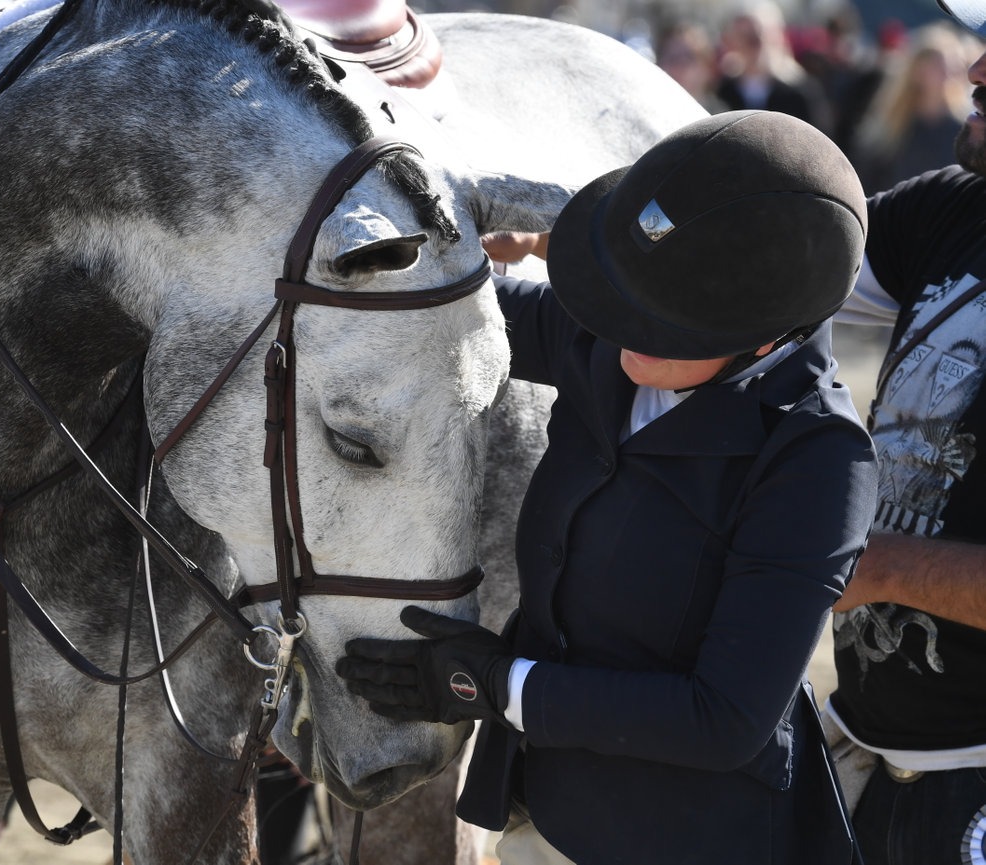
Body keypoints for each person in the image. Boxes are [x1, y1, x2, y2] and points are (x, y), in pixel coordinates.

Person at [336, 110, 878, 864]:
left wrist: (503, 686)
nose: (616, 325)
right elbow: (455, 306)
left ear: (766, 337)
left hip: (690, 840)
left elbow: (724, 716)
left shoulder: (816, 461)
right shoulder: (612, 338)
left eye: (654, 320)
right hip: (547, 810)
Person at [820, 2, 986, 862]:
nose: (977, 72)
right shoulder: (958, 205)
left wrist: (874, 563)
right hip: (866, 758)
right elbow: (767, 266)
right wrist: (568, 243)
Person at [852, 22, 978, 194]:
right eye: (938, 65)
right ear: (917, 70)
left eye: (952, 65)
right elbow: (868, 182)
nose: (947, 72)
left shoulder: (965, 130)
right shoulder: (893, 126)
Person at [715, 2, 832, 135]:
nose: (756, 47)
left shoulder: (801, 93)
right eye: (746, 38)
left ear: (778, 36)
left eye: (760, 36)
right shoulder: (723, 93)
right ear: (732, 42)